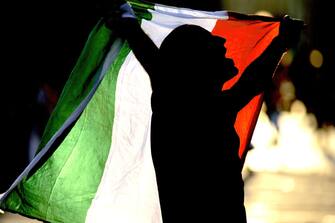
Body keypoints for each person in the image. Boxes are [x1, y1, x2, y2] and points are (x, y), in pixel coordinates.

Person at [103, 1, 303, 222]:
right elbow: (249, 83)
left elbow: (249, 84)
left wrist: (281, 44)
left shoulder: (198, 110)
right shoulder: (190, 113)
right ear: (196, 66)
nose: (221, 40)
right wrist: (280, 44)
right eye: (210, 42)